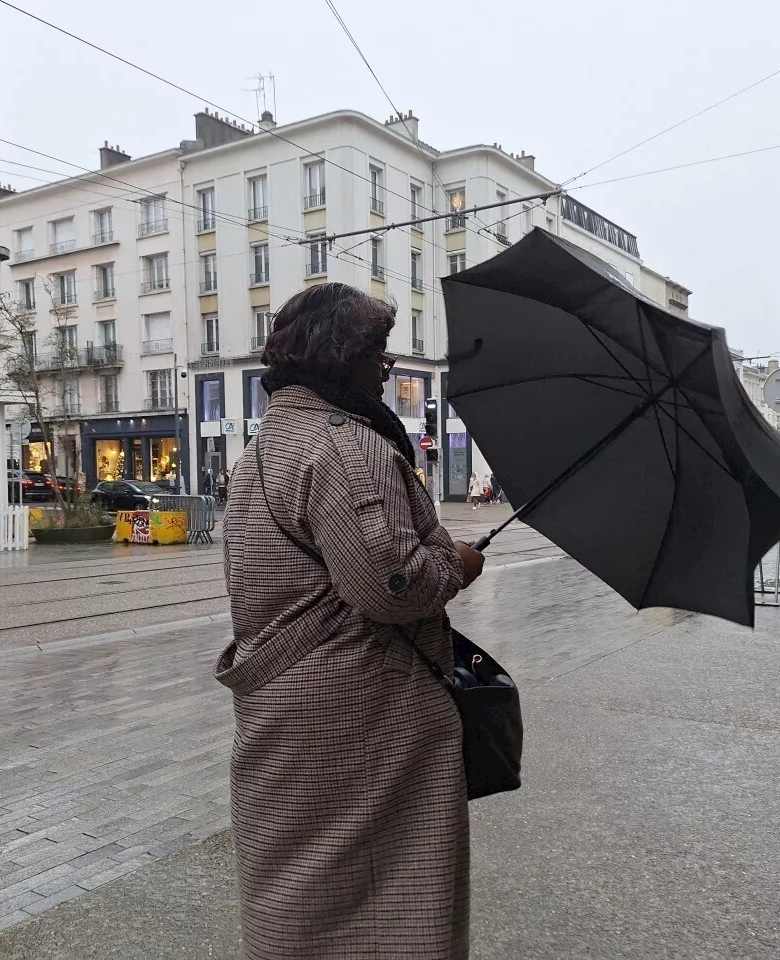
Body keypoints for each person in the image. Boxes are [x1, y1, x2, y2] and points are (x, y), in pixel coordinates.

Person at [217, 283, 485, 959]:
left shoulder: (267, 443)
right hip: (361, 715)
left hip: (292, 710)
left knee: (302, 894)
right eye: (379, 356)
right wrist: (454, 563)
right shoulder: (343, 446)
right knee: (385, 903)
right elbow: (391, 585)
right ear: (345, 357)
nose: (385, 372)